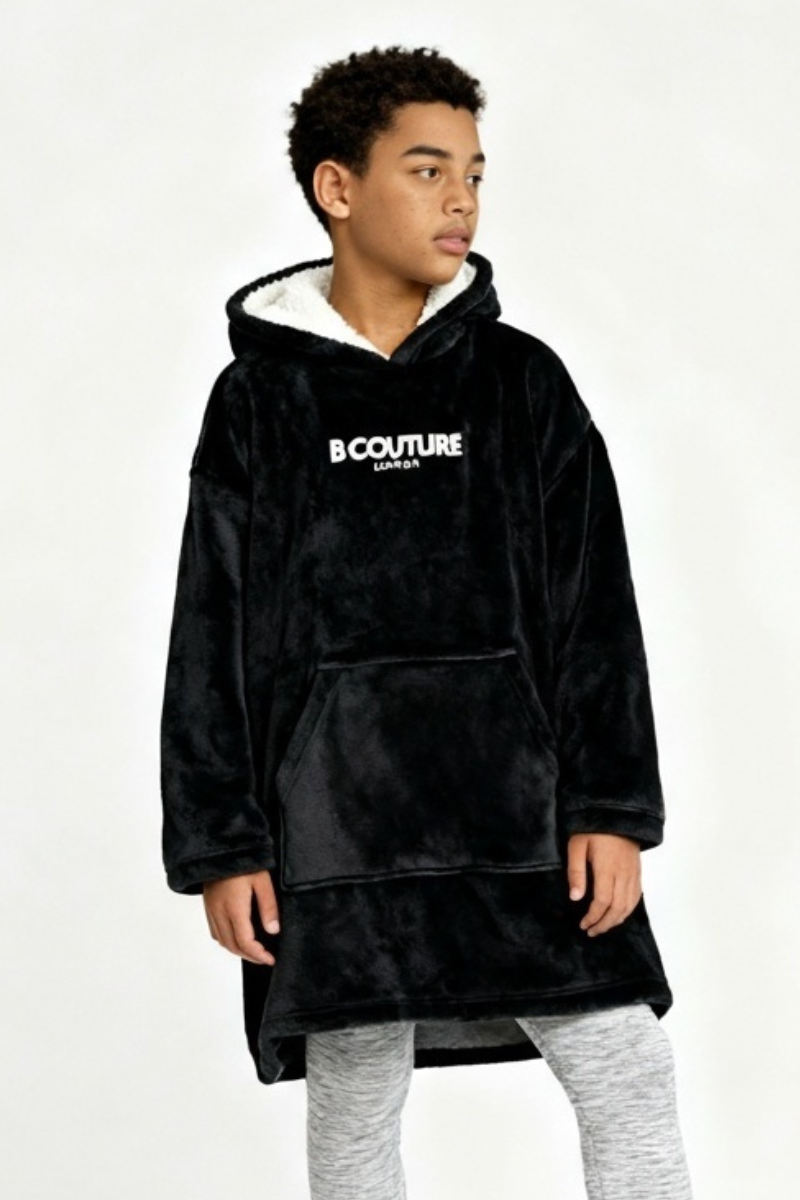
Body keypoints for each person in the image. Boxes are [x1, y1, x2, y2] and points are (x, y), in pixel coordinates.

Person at [160, 43, 694, 1200]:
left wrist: (608, 808)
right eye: (425, 168)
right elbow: (210, 629)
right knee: (357, 1088)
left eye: (473, 173)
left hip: (519, 814)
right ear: (336, 187)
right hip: (332, 829)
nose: (460, 198)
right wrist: (222, 843)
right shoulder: (259, 403)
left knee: (624, 1066)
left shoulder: (520, 384)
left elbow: (594, 609)